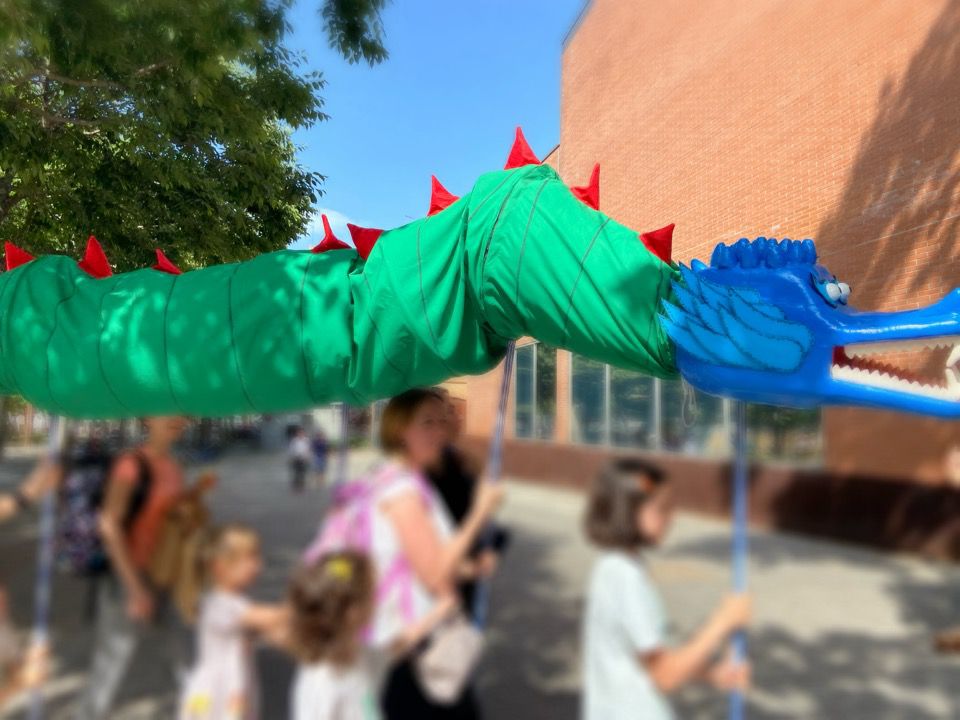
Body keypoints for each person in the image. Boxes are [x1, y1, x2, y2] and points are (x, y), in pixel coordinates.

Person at [356, 389, 503, 719]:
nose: (441, 431)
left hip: (409, 639)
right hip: (411, 642)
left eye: (442, 421)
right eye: (427, 423)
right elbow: (435, 573)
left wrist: (471, 569)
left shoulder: (400, 480)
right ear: (399, 430)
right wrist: (480, 512)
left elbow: (418, 557)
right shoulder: (401, 490)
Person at [582, 458, 751, 720]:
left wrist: (711, 673)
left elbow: (653, 655)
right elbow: (664, 675)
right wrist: (722, 622)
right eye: (661, 509)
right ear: (627, 511)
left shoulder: (613, 566)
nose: (671, 518)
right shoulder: (626, 577)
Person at [74, 415, 203, 720]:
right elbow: (108, 525)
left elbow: (169, 519)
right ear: (147, 418)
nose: (178, 419)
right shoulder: (130, 465)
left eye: (182, 412)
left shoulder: (174, 466)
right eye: (167, 412)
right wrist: (134, 589)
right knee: (109, 668)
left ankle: (204, 713)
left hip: (165, 576)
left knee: (186, 657)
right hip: (129, 578)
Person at [289, 550, 456, 720]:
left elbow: (397, 645)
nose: (376, 601)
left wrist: (440, 610)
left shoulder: (358, 655)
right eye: (371, 594)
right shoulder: (321, 680)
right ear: (353, 613)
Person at [179, 524, 288, 720]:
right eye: (251, 558)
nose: (259, 566)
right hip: (217, 694)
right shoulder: (219, 604)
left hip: (233, 689)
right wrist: (308, 602)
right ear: (220, 566)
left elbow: (270, 633)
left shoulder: (236, 603)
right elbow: (271, 617)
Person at [289, 427, 311, 493]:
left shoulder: (306, 440)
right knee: (296, 473)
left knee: (303, 473)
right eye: (299, 432)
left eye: (301, 432)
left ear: (304, 433)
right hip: (296, 458)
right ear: (297, 433)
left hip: (303, 459)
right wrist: (292, 458)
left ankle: (302, 487)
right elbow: (291, 449)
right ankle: (296, 487)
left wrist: (307, 457)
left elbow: (308, 449)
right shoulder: (294, 440)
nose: (300, 434)